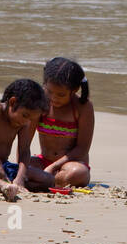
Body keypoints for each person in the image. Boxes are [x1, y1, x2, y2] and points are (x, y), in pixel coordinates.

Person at [30, 56, 94, 190]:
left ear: (74, 89)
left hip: (71, 164)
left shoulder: (83, 107)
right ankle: (50, 182)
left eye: (61, 95)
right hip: (43, 161)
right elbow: (24, 141)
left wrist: (53, 167)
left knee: (78, 173)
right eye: (49, 92)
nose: (54, 98)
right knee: (19, 167)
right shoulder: (40, 102)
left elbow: (82, 149)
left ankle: (43, 181)